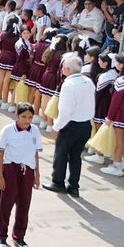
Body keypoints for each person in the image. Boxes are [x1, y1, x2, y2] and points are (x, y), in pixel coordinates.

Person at [42, 56, 95, 197]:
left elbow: (65, 111)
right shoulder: (88, 81)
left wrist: (56, 127)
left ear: (68, 69)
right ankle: (73, 186)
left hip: (70, 125)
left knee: (61, 154)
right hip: (85, 125)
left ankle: (58, 182)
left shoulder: (68, 85)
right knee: (76, 156)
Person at [0, 103, 42, 247]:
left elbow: (35, 154)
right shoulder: (8, 130)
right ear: (17, 116)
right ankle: (2, 236)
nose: (27, 120)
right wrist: (0, 176)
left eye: (30, 117)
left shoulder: (34, 131)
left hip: (27, 170)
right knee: (6, 204)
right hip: (10, 169)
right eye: (23, 117)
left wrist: (37, 174)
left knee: (24, 205)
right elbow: (1, 153)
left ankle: (19, 236)